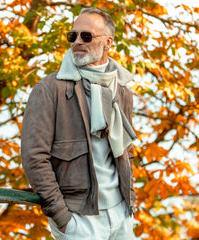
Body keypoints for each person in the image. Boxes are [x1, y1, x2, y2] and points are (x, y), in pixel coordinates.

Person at [21, 7, 137, 240]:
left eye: (86, 36)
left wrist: (130, 201)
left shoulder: (122, 89)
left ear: (108, 43)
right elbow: (34, 157)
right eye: (72, 36)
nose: (77, 42)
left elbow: (125, 151)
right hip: (78, 218)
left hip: (121, 212)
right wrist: (62, 218)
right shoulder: (49, 89)